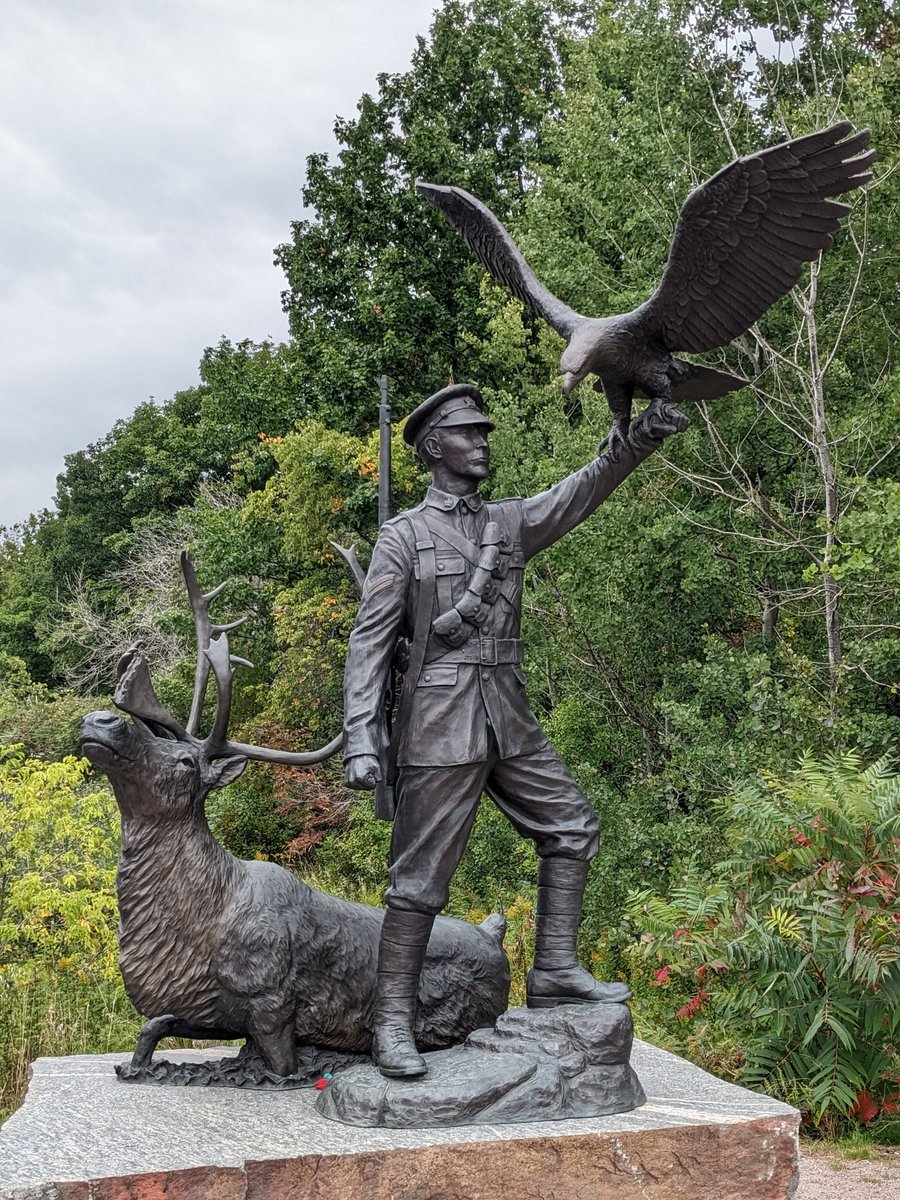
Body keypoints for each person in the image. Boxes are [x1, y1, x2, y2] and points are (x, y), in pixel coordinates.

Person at [343, 382, 687, 1078]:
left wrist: (642, 435)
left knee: (572, 827)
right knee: (417, 884)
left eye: (484, 432)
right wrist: (359, 737)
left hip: (507, 712)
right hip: (438, 720)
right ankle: (392, 1026)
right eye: (469, 433)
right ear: (436, 446)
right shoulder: (403, 537)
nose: (482, 443)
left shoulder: (508, 522)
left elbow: (582, 490)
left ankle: (555, 968)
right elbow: (369, 642)